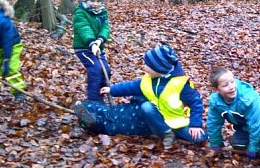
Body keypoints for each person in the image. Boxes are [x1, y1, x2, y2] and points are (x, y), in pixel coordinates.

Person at [76, 45, 206, 148]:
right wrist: (112, 89)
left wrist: (195, 124)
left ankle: (93, 122)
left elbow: (196, 103)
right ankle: (89, 109)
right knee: (117, 113)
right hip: (149, 115)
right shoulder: (149, 79)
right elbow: (132, 86)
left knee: (199, 138)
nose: (144, 67)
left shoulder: (180, 84)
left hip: (175, 123)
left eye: (148, 66)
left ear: (159, 69)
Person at [206, 68, 260, 158]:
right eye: (225, 85)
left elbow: (256, 124)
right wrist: (215, 143)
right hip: (246, 125)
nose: (231, 87)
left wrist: (253, 148)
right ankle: (257, 143)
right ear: (216, 89)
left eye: (232, 82)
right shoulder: (216, 102)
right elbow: (213, 123)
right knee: (238, 144)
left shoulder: (246, 99)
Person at [73, 0, 112, 102]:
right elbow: (84, 28)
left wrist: (100, 40)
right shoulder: (80, 12)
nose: (95, 4)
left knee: (107, 71)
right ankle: (93, 101)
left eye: (98, 1)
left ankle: (100, 93)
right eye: (92, 0)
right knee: (95, 69)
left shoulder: (102, 13)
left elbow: (106, 28)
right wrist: (92, 43)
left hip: (98, 47)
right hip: (84, 48)